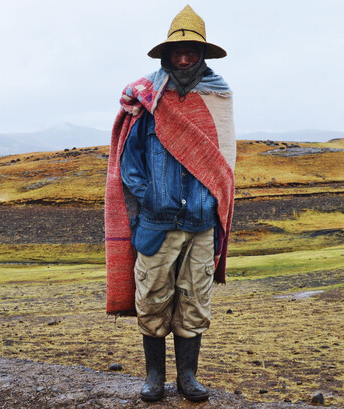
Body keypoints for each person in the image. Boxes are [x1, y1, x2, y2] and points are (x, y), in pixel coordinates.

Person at [105, 5, 236, 402]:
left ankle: (188, 379)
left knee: (194, 299)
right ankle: (154, 377)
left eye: (191, 52)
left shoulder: (217, 100)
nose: (183, 58)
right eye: (177, 52)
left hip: (201, 222)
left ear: (201, 55)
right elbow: (131, 163)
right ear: (166, 55)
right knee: (153, 298)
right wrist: (153, 198)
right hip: (156, 222)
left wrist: (209, 205)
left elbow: (222, 166)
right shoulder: (148, 101)